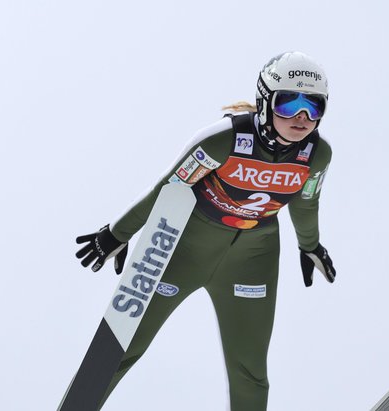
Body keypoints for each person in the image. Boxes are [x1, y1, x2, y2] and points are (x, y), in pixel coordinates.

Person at [74, 51, 337, 411]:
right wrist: (116, 234)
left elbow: (306, 203)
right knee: (123, 345)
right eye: (289, 104)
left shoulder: (316, 155)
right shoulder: (222, 140)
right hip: (187, 247)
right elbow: (167, 190)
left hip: (253, 259)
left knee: (250, 370)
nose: (302, 118)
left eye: (314, 107)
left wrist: (310, 246)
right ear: (264, 102)